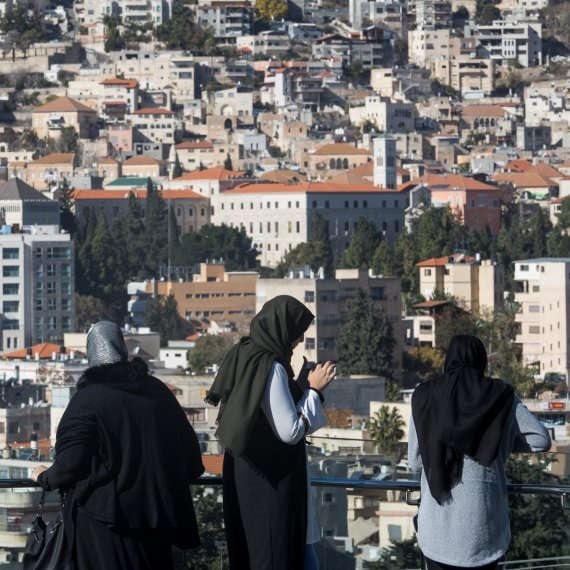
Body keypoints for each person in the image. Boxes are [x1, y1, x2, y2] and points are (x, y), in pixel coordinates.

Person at [32, 321, 204, 570]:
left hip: (106, 525)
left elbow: (70, 464)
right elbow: (190, 458)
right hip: (158, 520)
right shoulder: (157, 392)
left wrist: (44, 477)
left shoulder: (87, 401)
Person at [206, 295, 336, 570]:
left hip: (246, 472)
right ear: (283, 330)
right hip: (270, 480)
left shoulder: (245, 353)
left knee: (254, 550)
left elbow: (262, 408)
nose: (299, 340)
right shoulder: (272, 367)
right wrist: (314, 390)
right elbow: (289, 430)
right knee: (274, 550)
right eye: (297, 333)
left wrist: (299, 384)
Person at [408, 334, 551, 570]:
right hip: (484, 533)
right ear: (481, 361)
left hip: (438, 531)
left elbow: (415, 461)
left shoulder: (424, 396)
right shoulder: (502, 396)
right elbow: (540, 440)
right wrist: (499, 442)